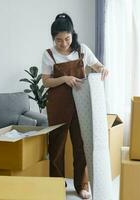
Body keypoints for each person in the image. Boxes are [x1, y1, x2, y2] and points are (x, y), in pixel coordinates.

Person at [41, 13, 108, 199]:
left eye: (67, 38)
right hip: (58, 106)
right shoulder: (48, 55)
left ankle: (81, 185)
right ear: (53, 38)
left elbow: (98, 66)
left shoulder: (82, 50)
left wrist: (103, 69)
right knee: (56, 148)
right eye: (58, 40)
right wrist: (64, 78)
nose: (63, 44)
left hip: (81, 107)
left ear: (73, 34)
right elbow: (46, 82)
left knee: (81, 146)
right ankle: (56, 185)